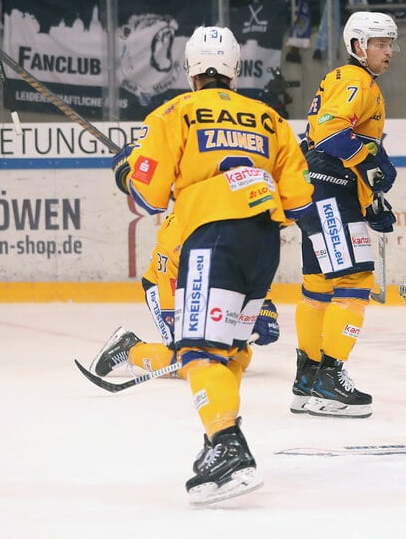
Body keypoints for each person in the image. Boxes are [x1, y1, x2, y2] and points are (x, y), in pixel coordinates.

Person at [110, 26, 317, 505]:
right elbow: (301, 201)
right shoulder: (270, 119)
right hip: (264, 244)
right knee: (229, 352)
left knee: (198, 352)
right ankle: (217, 440)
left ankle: (227, 446)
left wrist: (127, 168)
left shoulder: (174, 111)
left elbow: (147, 196)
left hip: (212, 239)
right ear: (234, 68)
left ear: (190, 69)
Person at [293, 11, 399, 419]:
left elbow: (342, 139)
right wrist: (368, 168)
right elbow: (330, 134)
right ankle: (329, 379)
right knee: (355, 282)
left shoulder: (344, 78)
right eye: (379, 44)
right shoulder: (357, 80)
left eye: (390, 44)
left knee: (317, 286)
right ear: (357, 46)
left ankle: (307, 379)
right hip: (331, 190)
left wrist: (370, 191)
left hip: (317, 188)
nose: (388, 51)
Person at [89, 212, 282, 382]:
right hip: (171, 285)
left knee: (239, 357)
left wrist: (263, 304)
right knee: (192, 362)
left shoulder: (239, 222)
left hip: (207, 280)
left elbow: (251, 260)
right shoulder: (182, 237)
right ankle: (129, 348)